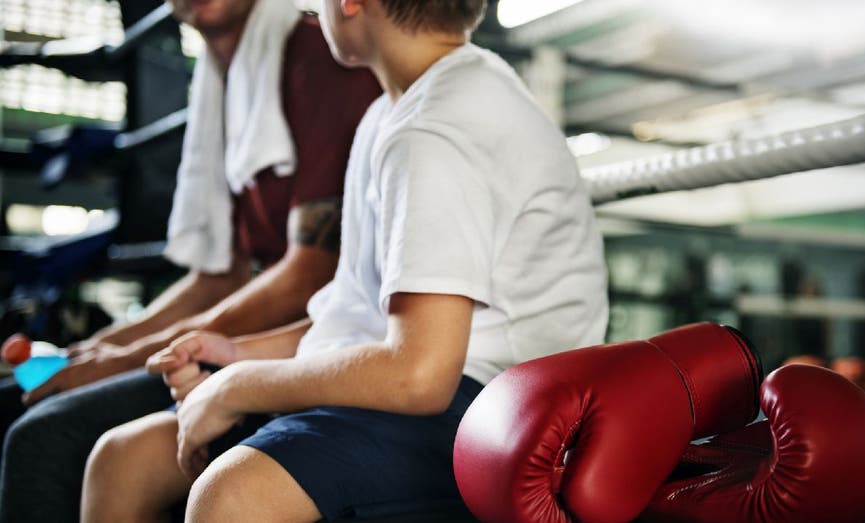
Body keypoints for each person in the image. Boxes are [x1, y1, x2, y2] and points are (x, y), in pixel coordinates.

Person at [82, 0, 608, 521]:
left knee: (234, 496)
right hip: (430, 386)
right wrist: (237, 354)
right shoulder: (392, 112)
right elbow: (361, 321)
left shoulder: (434, 129)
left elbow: (419, 375)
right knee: (121, 460)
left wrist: (236, 386)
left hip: (497, 410)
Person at [0, 0, 380, 520]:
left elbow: (307, 274)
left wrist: (131, 357)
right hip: (247, 344)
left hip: (311, 346)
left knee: (42, 437)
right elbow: (214, 278)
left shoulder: (318, 56)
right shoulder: (221, 84)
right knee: (14, 398)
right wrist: (104, 346)